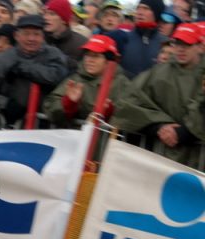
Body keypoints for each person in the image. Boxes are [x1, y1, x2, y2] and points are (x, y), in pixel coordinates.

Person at [112, 23, 205, 169]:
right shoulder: (159, 72)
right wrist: (159, 126)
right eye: (177, 43)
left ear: (200, 47)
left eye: (187, 44)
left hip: (197, 159)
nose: (180, 49)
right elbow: (129, 101)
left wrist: (183, 133)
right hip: (159, 156)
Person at [0, 14, 68, 127]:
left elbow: (58, 76)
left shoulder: (54, 55)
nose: (31, 39)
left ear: (43, 37)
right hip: (9, 126)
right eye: (26, 33)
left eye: (36, 34)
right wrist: (5, 104)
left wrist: (24, 68)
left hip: (45, 127)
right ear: (16, 36)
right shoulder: (3, 59)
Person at [43, 34, 130, 128]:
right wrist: (68, 103)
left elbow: (130, 117)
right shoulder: (75, 79)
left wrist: (109, 112)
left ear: (109, 61)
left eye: (96, 56)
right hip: (75, 138)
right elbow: (49, 107)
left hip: (106, 141)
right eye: (87, 55)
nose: (89, 60)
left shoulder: (121, 83)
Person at [107, 0, 168, 79]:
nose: (140, 12)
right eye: (138, 8)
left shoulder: (165, 43)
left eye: (146, 9)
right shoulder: (122, 38)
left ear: (156, 13)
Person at [43, 0, 88, 72]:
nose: (45, 17)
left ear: (63, 20)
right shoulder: (40, 39)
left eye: (52, 14)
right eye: (45, 13)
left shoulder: (81, 44)